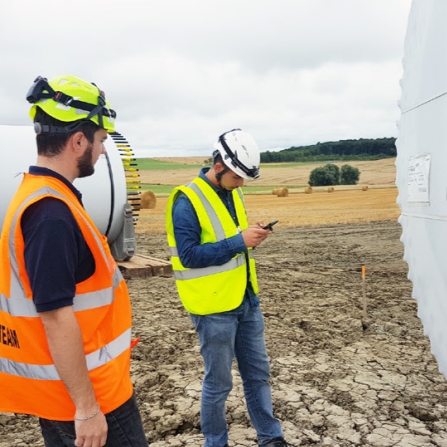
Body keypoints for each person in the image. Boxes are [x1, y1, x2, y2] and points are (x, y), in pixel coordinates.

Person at [0, 75, 148, 447]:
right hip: (88, 397)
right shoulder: (51, 213)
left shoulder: (42, 196)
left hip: (72, 391)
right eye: (100, 141)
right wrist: (87, 408)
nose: (101, 151)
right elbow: (55, 315)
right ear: (77, 140)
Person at [166, 129, 291, 447]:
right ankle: (216, 442)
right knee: (219, 383)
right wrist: (239, 241)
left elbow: (229, 240)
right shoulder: (187, 200)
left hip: (246, 300)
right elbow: (190, 255)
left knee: (258, 375)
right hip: (213, 309)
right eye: (238, 176)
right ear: (219, 165)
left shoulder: (233, 191)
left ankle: (271, 437)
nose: (242, 183)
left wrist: (251, 235)